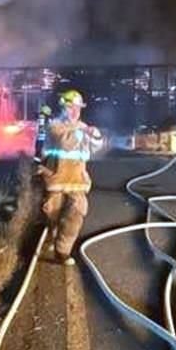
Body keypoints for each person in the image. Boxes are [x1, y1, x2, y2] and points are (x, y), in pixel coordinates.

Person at [37, 89, 103, 266]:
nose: (75, 111)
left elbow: (95, 148)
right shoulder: (55, 126)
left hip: (77, 180)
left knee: (77, 211)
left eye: (78, 108)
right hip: (56, 179)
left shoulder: (83, 127)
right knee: (53, 214)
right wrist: (83, 132)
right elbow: (66, 143)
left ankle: (62, 252)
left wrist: (95, 136)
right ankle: (51, 236)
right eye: (70, 107)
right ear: (63, 108)